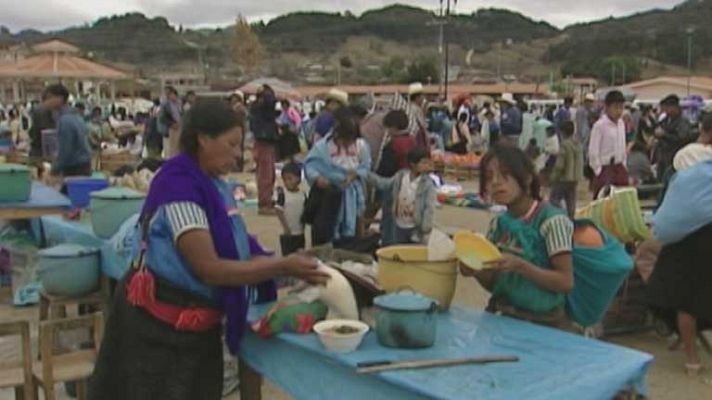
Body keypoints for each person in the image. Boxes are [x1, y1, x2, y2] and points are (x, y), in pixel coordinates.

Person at [88, 99, 329, 400]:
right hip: (159, 333)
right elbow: (210, 268)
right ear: (203, 139)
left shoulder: (215, 184)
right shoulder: (179, 188)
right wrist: (281, 267)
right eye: (231, 145)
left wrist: (284, 264)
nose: (237, 155)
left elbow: (238, 244)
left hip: (196, 332)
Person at [461, 144, 574, 328]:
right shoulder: (499, 224)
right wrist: (474, 270)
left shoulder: (553, 222)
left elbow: (565, 282)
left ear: (527, 179)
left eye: (505, 175)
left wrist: (522, 267)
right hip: (502, 315)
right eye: (489, 178)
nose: (496, 183)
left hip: (544, 323)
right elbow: (495, 283)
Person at [647, 158, 712, 376]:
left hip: (683, 244)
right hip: (703, 242)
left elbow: (668, 215)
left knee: (686, 304)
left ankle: (692, 360)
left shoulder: (689, 176)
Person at [304, 107, 371, 246]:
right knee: (328, 228)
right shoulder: (322, 147)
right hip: (329, 194)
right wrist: (318, 178)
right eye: (344, 140)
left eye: (350, 140)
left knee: (354, 225)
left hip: (352, 194)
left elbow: (365, 166)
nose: (347, 143)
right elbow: (310, 165)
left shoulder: (361, 146)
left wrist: (354, 175)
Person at [369, 148, 436, 245]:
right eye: (423, 163)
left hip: (415, 226)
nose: (426, 166)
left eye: (427, 163)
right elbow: (384, 184)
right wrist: (367, 176)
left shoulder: (427, 185)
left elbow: (429, 207)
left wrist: (425, 227)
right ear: (413, 164)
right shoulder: (400, 177)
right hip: (399, 224)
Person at [42, 84, 92, 178]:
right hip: (85, 164)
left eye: (49, 98)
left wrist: (54, 169)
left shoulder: (65, 120)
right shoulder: (76, 115)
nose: (46, 102)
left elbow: (65, 150)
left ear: (60, 98)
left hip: (75, 168)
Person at [588, 90, 628, 196]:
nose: (619, 111)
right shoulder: (600, 126)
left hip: (619, 168)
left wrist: (624, 165)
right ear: (606, 107)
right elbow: (593, 152)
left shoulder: (621, 124)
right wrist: (599, 171)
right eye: (615, 107)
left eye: (621, 107)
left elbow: (622, 146)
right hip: (605, 169)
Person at [250, 85, 280, 215]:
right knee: (265, 174)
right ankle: (264, 203)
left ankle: (267, 199)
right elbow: (270, 102)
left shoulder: (260, 110)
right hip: (263, 142)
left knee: (269, 173)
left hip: (265, 141)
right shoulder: (260, 109)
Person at [549, 121, 583, 218]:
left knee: (554, 199)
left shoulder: (564, 145)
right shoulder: (578, 144)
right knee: (571, 200)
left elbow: (560, 165)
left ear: (562, 132)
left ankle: (562, 215)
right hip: (575, 177)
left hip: (564, 177)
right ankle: (571, 219)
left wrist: (553, 177)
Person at [655, 95, 693, 179]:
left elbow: (682, 138)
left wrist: (665, 135)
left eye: (668, 108)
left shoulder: (683, 121)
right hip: (662, 157)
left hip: (675, 157)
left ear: (675, 107)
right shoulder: (665, 120)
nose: (666, 111)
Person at [274, 162, 307, 256]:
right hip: (288, 234)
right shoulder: (283, 194)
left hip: (300, 232)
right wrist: (286, 228)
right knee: (288, 256)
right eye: (285, 179)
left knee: (300, 255)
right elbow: (278, 211)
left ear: (298, 179)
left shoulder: (303, 195)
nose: (287, 182)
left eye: (290, 178)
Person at [158, 86, 183, 158]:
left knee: (177, 149)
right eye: (170, 95)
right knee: (169, 150)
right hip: (169, 130)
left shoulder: (178, 104)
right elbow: (162, 118)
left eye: (173, 94)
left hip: (178, 128)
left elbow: (181, 115)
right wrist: (172, 124)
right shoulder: (165, 105)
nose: (172, 96)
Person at [405, 83, 430, 151]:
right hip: (417, 140)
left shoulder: (411, 108)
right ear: (417, 97)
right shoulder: (415, 109)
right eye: (422, 96)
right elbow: (422, 127)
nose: (423, 98)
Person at [229, 91, 248, 171]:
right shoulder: (233, 107)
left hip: (238, 130)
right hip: (234, 129)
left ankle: (237, 167)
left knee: (237, 148)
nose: (233, 99)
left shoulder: (239, 108)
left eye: (235, 98)